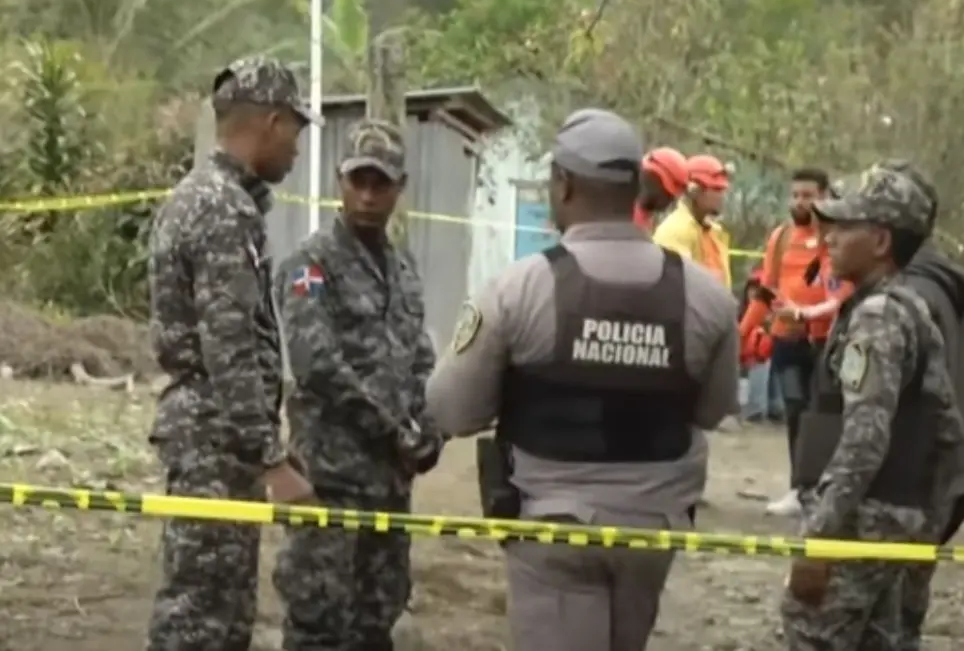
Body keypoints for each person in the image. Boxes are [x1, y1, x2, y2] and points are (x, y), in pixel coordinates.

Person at [423, 108, 740, 651]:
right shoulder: (707, 297)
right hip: (652, 526)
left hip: (552, 527)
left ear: (564, 185)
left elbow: (452, 410)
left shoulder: (517, 289)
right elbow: (713, 411)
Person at [144, 55, 319, 651]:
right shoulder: (222, 208)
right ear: (272, 122)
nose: (296, 148)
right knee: (204, 618)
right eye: (295, 130)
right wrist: (270, 459)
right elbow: (230, 345)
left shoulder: (202, 197)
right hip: (214, 439)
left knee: (212, 607)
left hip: (213, 434)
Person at [271, 119, 444, 650]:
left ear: (400, 187)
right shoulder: (311, 264)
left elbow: (418, 356)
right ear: (339, 181)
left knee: (376, 620)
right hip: (332, 480)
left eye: (380, 184)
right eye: (358, 181)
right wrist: (393, 431)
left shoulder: (403, 269)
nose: (367, 196)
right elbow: (317, 364)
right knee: (320, 624)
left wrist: (429, 426)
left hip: (389, 486)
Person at [781, 164, 964, 651]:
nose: (829, 237)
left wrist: (821, 535)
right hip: (896, 523)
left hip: (860, 524)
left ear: (881, 241)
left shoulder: (877, 317)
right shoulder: (911, 308)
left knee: (812, 632)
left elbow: (865, 436)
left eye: (845, 226)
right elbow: (949, 430)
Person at [881, 160, 964, 651]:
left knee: (885, 622)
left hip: (911, 486)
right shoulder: (944, 287)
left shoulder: (909, 295)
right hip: (947, 476)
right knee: (905, 617)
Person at [739, 168, 854, 515]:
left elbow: (844, 295)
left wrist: (807, 313)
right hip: (787, 340)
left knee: (825, 414)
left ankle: (826, 489)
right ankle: (799, 488)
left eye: (809, 196)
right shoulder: (782, 237)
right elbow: (766, 290)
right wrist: (741, 335)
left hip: (827, 342)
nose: (801, 202)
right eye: (796, 195)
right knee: (795, 411)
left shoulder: (838, 238)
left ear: (824, 197)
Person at [652, 153, 733, 288]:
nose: (721, 196)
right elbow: (676, 285)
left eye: (722, 190)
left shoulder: (714, 232)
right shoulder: (674, 230)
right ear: (694, 190)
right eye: (716, 189)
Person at [739, 262, 785, 422]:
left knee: (768, 356)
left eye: (756, 287)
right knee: (761, 353)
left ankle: (770, 407)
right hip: (756, 352)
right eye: (751, 287)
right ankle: (760, 407)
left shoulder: (771, 303)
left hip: (771, 351)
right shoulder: (754, 306)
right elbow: (742, 331)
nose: (752, 291)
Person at [634, 146, 689, 232]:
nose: (671, 200)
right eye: (667, 192)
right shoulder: (624, 215)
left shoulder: (644, 216)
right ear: (652, 177)